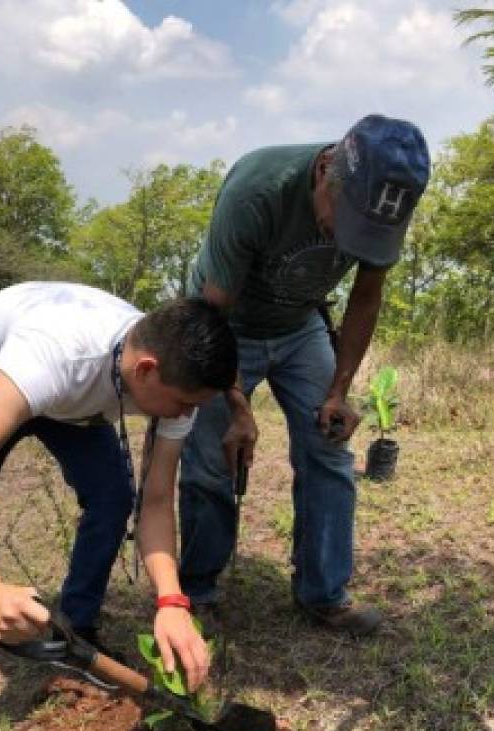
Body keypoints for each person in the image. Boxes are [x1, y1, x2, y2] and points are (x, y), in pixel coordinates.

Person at [0, 281, 237, 731]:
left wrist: (172, 601)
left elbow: (155, 501)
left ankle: (79, 629)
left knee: (113, 498)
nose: (184, 414)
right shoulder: (57, 354)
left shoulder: (173, 379)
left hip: (73, 402)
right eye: (182, 404)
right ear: (147, 370)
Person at [179, 114, 430, 635]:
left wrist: (339, 389)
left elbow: (366, 296)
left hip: (301, 326)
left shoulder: (388, 204)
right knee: (209, 461)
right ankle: (197, 591)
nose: (345, 238)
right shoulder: (258, 189)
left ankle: (323, 594)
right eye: (344, 220)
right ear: (324, 172)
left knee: (329, 452)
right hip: (224, 325)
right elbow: (212, 313)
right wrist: (239, 409)